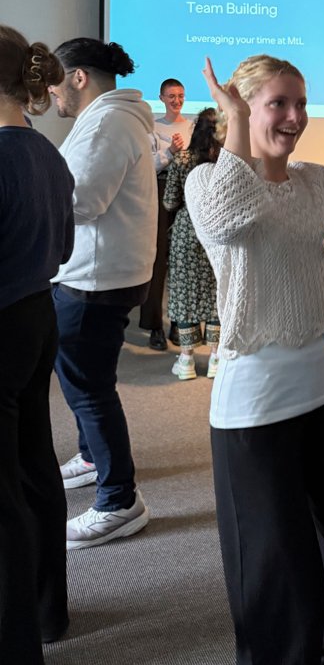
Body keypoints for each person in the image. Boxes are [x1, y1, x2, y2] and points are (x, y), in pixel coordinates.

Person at [185, 53, 324, 665]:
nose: (296, 117)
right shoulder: (208, 181)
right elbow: (226, 216)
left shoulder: (314, 182)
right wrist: (238, 127)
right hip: (255, 416)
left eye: (300, 104)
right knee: (281, 603)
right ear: (241, 110)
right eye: (279, 103)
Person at [49, 38, 157, 549]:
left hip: (95, 279)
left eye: (54, 81)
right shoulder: (115, 117)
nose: (50, 93)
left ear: (78, 77)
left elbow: (82, 200)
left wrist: (31, 190)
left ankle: (119, 501)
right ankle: (93, 458)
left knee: (88, 388)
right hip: (104, 271)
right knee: (83, 380)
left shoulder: (108, 122)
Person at [0, 27, 74, 665]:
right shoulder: (46, 153)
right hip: (36, 316)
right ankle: (50, 612)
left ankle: (14, 654)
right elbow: (66, 249)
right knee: (34, 470)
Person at [163, 107, 222, 381]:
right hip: (217, 230)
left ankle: (186, 359)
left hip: (188, 229)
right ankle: (216, 357)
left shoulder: (183, 158)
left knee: (184, 291)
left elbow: (170, 202)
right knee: (216, 291)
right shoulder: (225, 160)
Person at [140, 78, 195, 350]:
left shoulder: (192, 126)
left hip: (187, 193)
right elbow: (147, 164)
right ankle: (154, 327)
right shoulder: (152, 127)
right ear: (161, 98)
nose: (177, 100)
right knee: (157, 260)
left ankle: (178, 323)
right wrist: (170, 151)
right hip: (160, 192)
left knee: (181, 260)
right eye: (171, 96)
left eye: (181, 95)